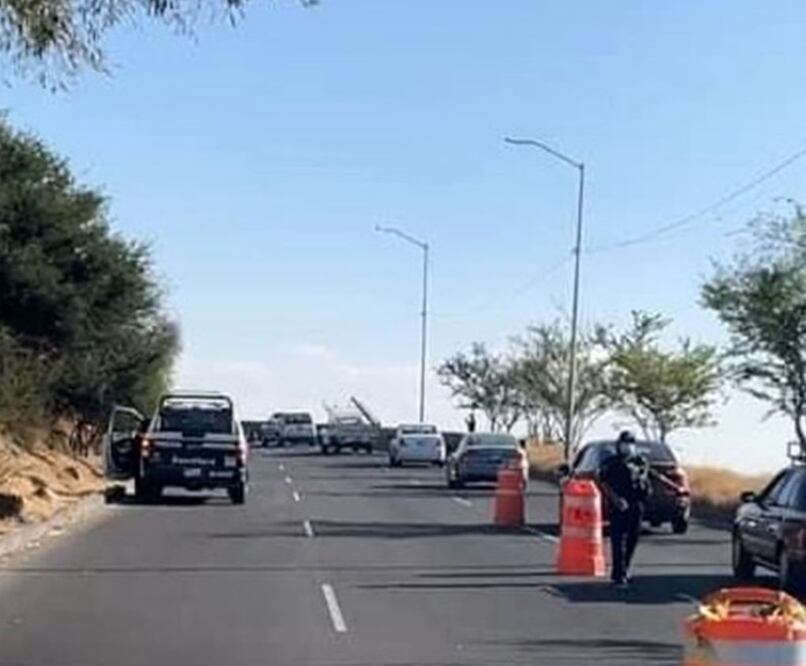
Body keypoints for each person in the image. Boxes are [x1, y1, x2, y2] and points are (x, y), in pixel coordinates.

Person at [597, 430, 651, 587]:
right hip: (619, 504)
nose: (627, 446)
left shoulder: (640, 461)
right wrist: (615, 499)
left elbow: (645, 479)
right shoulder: (612, 463)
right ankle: (619, 574)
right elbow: (603, 481)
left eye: (630, 443)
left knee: (633, 539)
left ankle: (624, 568)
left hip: (637, 504)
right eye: (625, 443)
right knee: (618, 540)